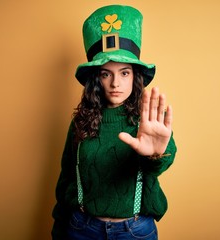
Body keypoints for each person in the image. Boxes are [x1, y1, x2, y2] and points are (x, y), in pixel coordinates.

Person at [51, 5, 177, 240]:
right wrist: (59, 228)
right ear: (96, 79)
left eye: (125, 72)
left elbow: (160, 161)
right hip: (81, 229)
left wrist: (155, 156)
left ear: (135, 76)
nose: (115, 83)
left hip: (134, 231)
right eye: (106, 73)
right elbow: (66, 176)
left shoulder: (147, 120)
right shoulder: (81, 121)